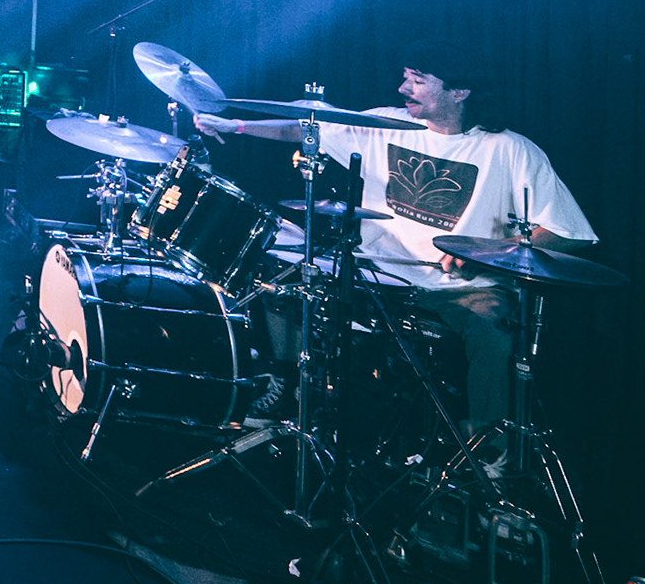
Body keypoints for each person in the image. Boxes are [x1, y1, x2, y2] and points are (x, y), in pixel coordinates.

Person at [193, 40, 596, 436]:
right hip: (375, 274)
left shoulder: (511, 150)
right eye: (405, 78)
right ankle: (289, 387)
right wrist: (237, 126)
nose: (404, 88)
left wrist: (491, 253)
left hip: (460, 289)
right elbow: (305, 128)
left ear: (459, 91)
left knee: (495, 333)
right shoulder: (385, 125)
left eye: (418, 80)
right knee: (285, 277)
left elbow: (568, 233)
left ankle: (487, 443)